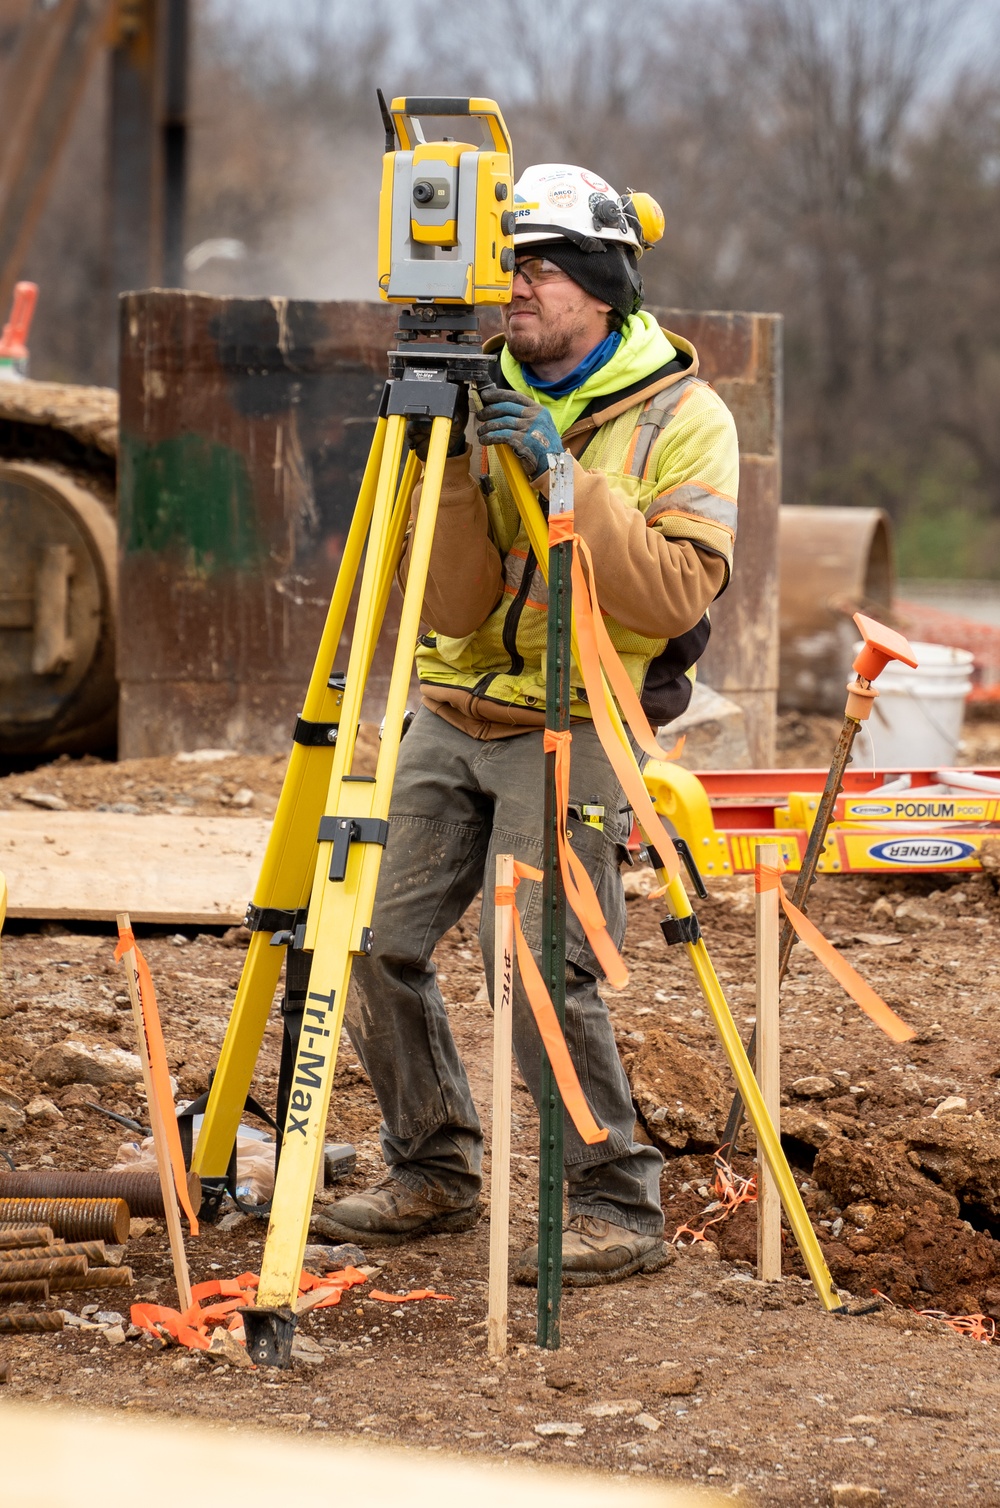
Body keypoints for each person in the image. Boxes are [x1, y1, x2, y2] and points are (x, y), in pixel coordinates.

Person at [324, 163, 739, 1286]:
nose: (515, 287)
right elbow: (450, 604)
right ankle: (434, 1168)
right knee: (377, 940)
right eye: (507, 264)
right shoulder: (465, 385)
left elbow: (671, 595)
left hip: (581, 712)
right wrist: (463, 468)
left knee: (542, 963)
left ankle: (613, 1200)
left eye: (540, 268)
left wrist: (561, 476)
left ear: (602, 287)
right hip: (452, 705)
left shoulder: (681, 418)